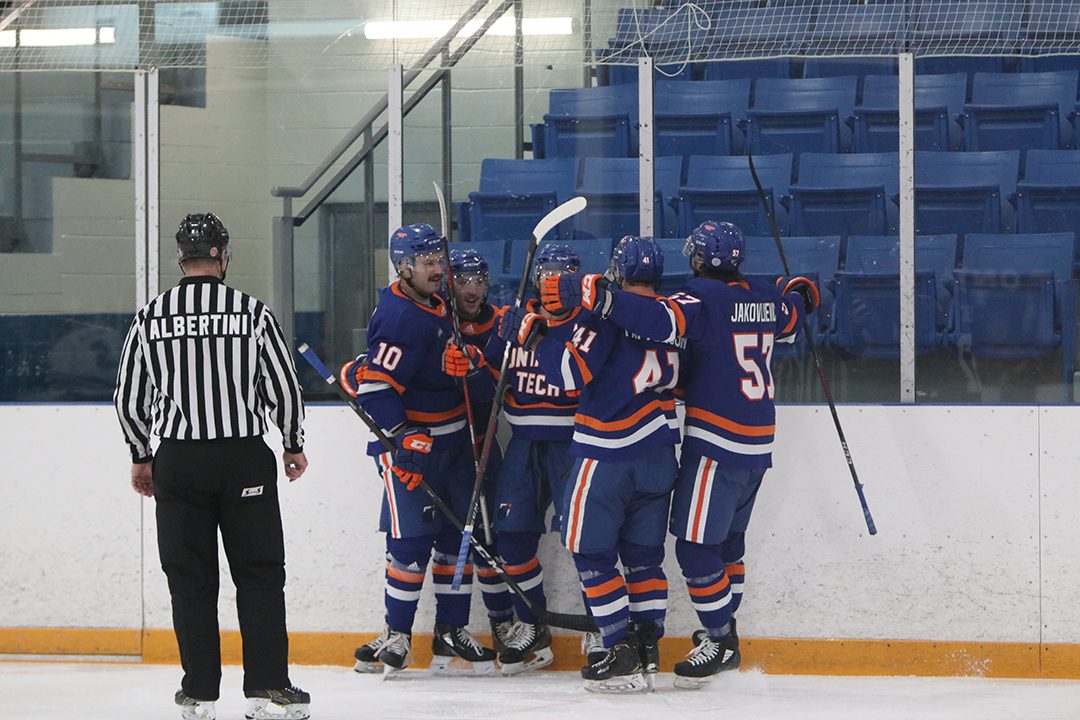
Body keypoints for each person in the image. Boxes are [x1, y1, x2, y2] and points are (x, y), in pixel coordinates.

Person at [542, 221, 818, 689]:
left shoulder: (692, 302)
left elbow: (633, 334)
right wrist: (803, 294)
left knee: (673, 549)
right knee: (711, 549)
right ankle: (661, 643)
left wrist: (587, 304)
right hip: (739, 446)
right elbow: (798, 308)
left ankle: (711, 640)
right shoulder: (764, 297)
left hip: (697, 445)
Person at [113, 212, 311, 720]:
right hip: (243, 459)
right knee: (260, 575)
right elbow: (284, 388)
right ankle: (267, 688)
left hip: (178, 460)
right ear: (222, 256)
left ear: (180, 257)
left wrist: (141, 455)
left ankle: (199, 692)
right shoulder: (251, 313)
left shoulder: (151, 316)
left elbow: (128, 400)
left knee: (189, 578)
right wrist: (292, 444)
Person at [504, 236, 680, 693]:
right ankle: (647, 651)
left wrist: (537, 333)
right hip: (661, 452)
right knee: (644, 561)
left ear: (617, 273)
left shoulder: (606, 317)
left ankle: (617, 648)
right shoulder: (674, 315)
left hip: (608, 453)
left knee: (591, 555)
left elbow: (566, 376)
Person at [350, 223, 497, 678]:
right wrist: (403, 432)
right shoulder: (400, 316)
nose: (439, 270)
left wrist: (467, 365)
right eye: (428, 263)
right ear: (404, 266)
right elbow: (374, 387)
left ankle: (451, 630)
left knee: (458, 540)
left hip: (455, 444)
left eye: (440, 261)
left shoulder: (438, 303)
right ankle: (398, 634)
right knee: (411, 543)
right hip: (416, 447)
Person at [453, 243, 588, 675]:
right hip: (524, 444)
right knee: (511, 541)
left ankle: (600, 628)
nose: (553, 282)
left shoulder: (587, 323)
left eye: (562, 275)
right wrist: (471, 360)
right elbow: (489, 367)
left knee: (591, 542)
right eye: (546, 274)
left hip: (574, 446)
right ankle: (533, 625)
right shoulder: (514, 318)